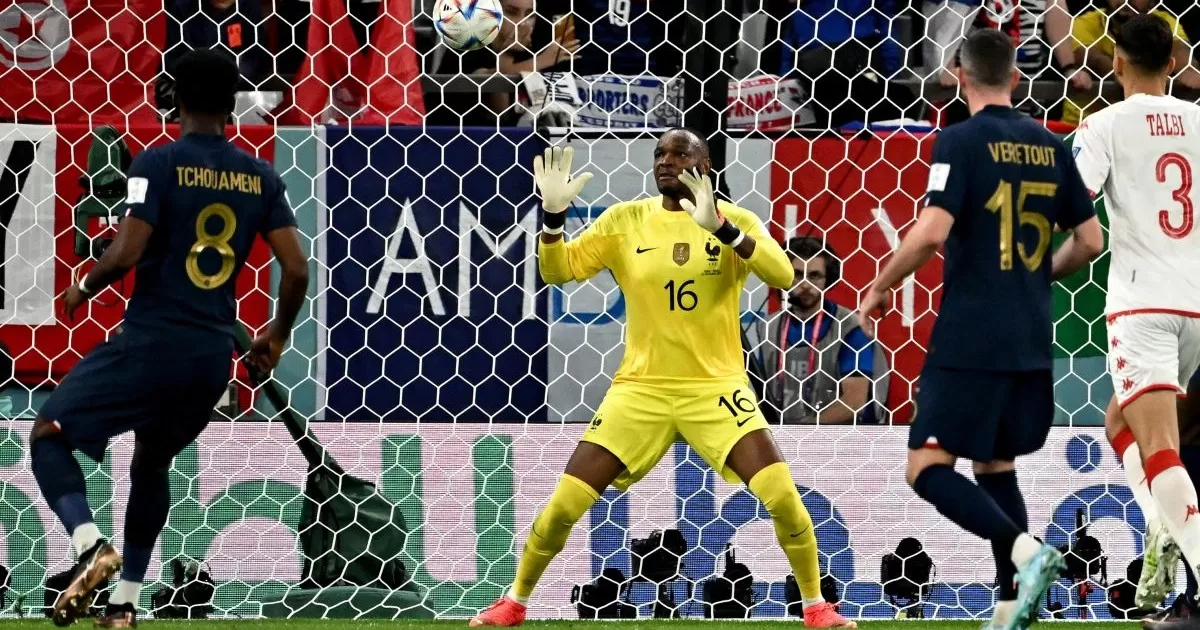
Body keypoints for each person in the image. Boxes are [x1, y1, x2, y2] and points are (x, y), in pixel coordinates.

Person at [470, 129, 855, 628]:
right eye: (660, 154)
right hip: (641, 390)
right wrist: (551, 219)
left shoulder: (735, 220)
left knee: (782, 495)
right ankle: (514, 602)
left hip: (717, 389)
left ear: (705, 165)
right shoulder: (626, 220)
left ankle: (815, 607)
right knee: (565, 504)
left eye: (680, 153)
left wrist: (719, 225)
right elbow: (557, 271)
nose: (666, 161)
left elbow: (783, 275)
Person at [31, 49, 308, 628]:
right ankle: (126, 603)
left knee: (49, 434)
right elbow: (298, 268)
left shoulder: (157, 164)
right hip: (209, 358)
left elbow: (127, 251)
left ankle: (89, 548)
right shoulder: (261, 176)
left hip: (152, 341)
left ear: (173, 97)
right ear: (233, 103)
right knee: (151, 464)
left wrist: (84, 282)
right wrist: (276, 336)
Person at [858, 29, 1104, 630]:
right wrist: (1038, 278)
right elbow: (1091, 240)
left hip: (971, 332)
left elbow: (933, 229)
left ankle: (1028, 554)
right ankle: (1007, 605)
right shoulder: (1050, 142)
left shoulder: (960, 141)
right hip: (1029, 334)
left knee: (926, 468)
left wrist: (882, 282)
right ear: (1016, 77)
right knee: (996, 467)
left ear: (959, 77)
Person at [1071, 14, 1200, 625]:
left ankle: (1186, 557)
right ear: (1175, 63)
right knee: (1122, 419)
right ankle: (1160, 526)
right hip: (1198, 304)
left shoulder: (1104, 124)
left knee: (1158, 449)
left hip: (1143, 304)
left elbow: (1074, 201)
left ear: (1116, 63)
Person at [759, 236, 885, 424]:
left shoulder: (851, 327)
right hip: (778, 437)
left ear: (829, 278)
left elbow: (854, 402)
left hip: (840, 442)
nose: (805, 285)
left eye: (815, 276)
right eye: (798, 274)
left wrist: (802, 431)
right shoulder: (768, 327)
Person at [1064, 0, 1200, 125]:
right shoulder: (1086, 22)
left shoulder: (1164, 21)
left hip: (1145, 126)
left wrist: (1189, 70)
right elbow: (1094, 60)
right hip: (1082, 126)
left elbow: (1179, 50)